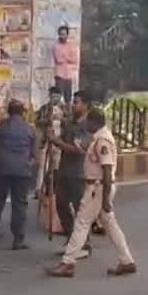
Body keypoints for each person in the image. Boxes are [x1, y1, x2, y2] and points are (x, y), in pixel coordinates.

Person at [46, 109, 136, 278]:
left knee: (81, 222)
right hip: (98, 187)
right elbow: (79, 148)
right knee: (110, 224)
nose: (86, 124)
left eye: (88, 121)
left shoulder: (103, 141)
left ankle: (68, 263)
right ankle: (126, 260)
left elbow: (107, 170)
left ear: (94, 122)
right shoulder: (96, 137)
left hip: (98, 187)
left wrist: (106, 199)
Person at [48, 91, 93, 257]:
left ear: (86, 105)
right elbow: (61, 141)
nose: (73, 105)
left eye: (77, 102)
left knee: (79, 209)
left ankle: (84, 243)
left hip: (79, 172)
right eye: (73, 102)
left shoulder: (87, 126)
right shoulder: (71, 123)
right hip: (65, 169)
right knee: (60, 204)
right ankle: (72, 238)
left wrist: (57, 141)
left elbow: (78, 150)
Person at [0, 100, 37, 250]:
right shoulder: (29, 130)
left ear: (8, 111)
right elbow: (33, 153)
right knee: (20, 204)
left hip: (2, 168)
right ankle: (18, 239)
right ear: (23, 112)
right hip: (22, 170)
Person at [34, 87, 66, 196]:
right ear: (49, 95)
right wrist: (47, 119)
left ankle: (53, 188)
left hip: (59, 142)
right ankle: (39, 189)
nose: (55, 97)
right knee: (43, 165)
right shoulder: (44, 108)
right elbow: (37, 122)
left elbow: (70, 123)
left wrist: (61, 119)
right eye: (53, 95)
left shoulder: (65, 109)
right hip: (46, 140)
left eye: (57, 95)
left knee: (56, 166)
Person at [53, 25, 79, 98]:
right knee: (57, 96)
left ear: (67, 35)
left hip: (68, 75)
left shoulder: (71, 45)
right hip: (59, 74)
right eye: (61, 34)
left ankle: (67, 109)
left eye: (64, 34)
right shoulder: (56, 46)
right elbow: (59, 60)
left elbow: (74, 59)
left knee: (68, 97)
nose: (62, 36)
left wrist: (65, 57)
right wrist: (68, 57)